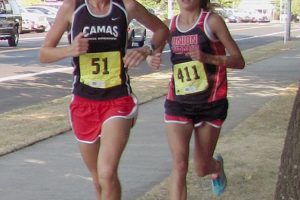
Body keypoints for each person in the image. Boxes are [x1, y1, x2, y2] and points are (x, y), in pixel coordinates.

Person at [39, 0, 169, 199]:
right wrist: (70, 50)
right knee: (99, 179)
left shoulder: (127, 6)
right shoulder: (71, 8)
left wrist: (146, 49)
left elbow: (161, 30)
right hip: (84, 102)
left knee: (107, 172)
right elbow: (44, 53)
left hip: (118, 99)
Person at [147, 0, 245, 199]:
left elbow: (238, 60)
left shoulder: (212, 22)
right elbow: (152, 53)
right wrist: (152, 58)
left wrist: (207, 58)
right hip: (178, 102)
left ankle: (215, 166)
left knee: (201, 168)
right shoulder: (169, 25)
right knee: (179, 163)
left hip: (211, 102)